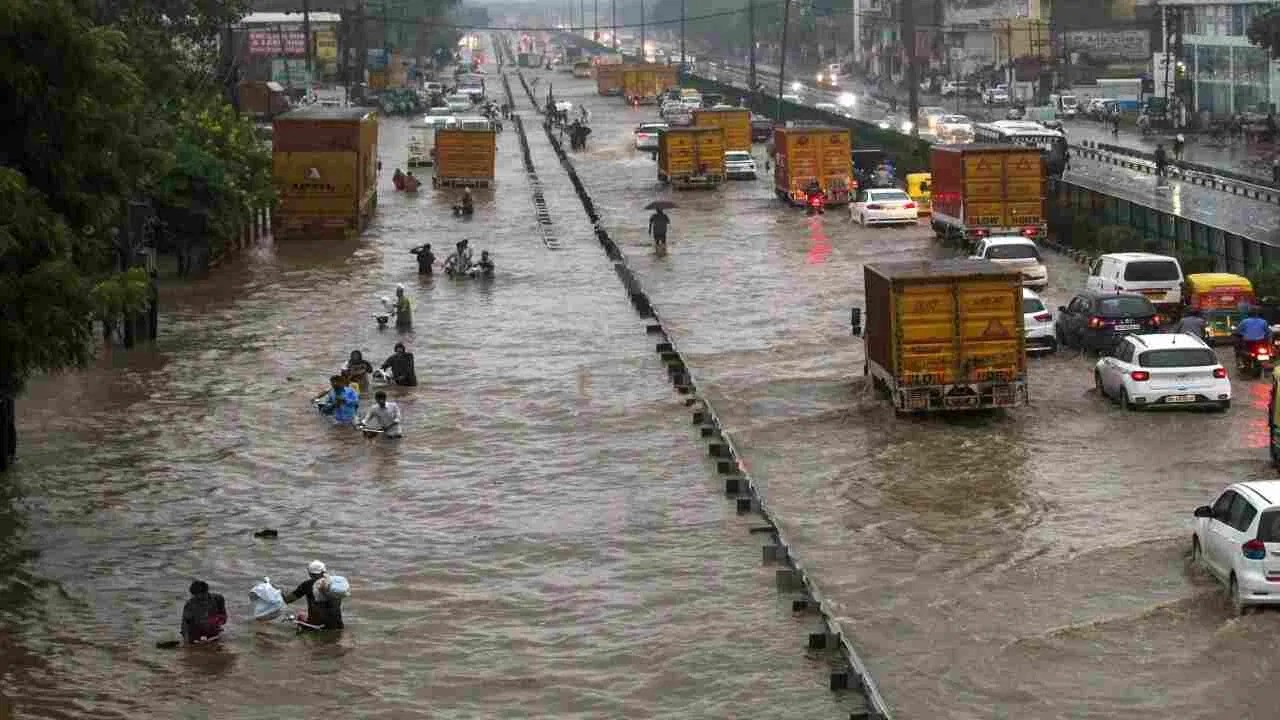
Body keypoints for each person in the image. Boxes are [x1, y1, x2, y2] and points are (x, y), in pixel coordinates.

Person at [282, 561, 344, 631]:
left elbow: (287, 600)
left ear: (310, 574)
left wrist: (279, 594)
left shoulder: (307, 585)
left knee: (300, 616)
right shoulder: (336, 585)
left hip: (317, 625)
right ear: (324, 571)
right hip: (337, 625)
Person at [181, 580, 228, 644]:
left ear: (206, 592)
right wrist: (186, 641)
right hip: (196, 632)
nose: (199, 599)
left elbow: (224, 617)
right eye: (196, 597)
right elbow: (185, 625)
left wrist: (217, 621)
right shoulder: (190, 604)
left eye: (202, 597)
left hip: (213, 631)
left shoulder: (218, 599)